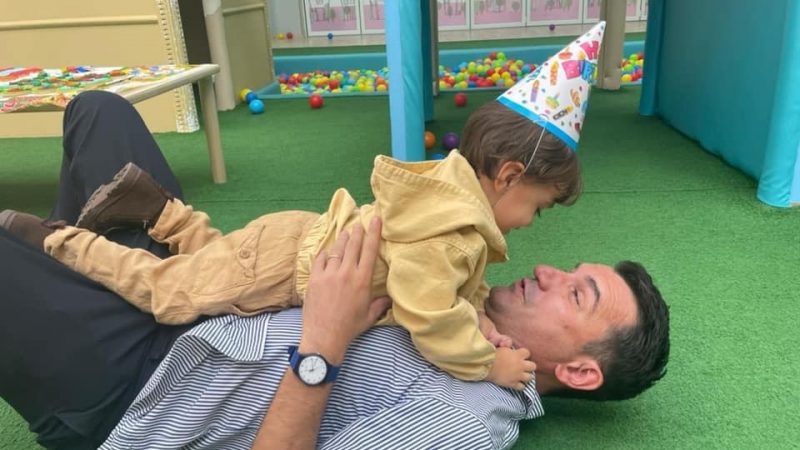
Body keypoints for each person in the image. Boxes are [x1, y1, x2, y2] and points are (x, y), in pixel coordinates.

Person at [0, 90, 669, 450]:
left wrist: (322, 344)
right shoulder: (468, 300)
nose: (548, 270)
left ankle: (60, 266)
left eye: (576, 293)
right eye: (568, 269)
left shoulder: (469, 418)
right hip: (206, 299)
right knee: (100, 111)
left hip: (144, 387)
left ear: (580, 371)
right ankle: (64, 276)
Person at [1, 23, 609, 392]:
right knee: (170, 291)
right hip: (283, 266)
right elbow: (429, 313)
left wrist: (488, 324)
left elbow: (459, 292)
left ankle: (159, 212)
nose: (530, 224)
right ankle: (62, 242)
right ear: (509, 177)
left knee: (215, 262)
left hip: (291, 242)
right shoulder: (455, 235)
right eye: (538, 208)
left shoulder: (451, 199)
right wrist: (486, 365)